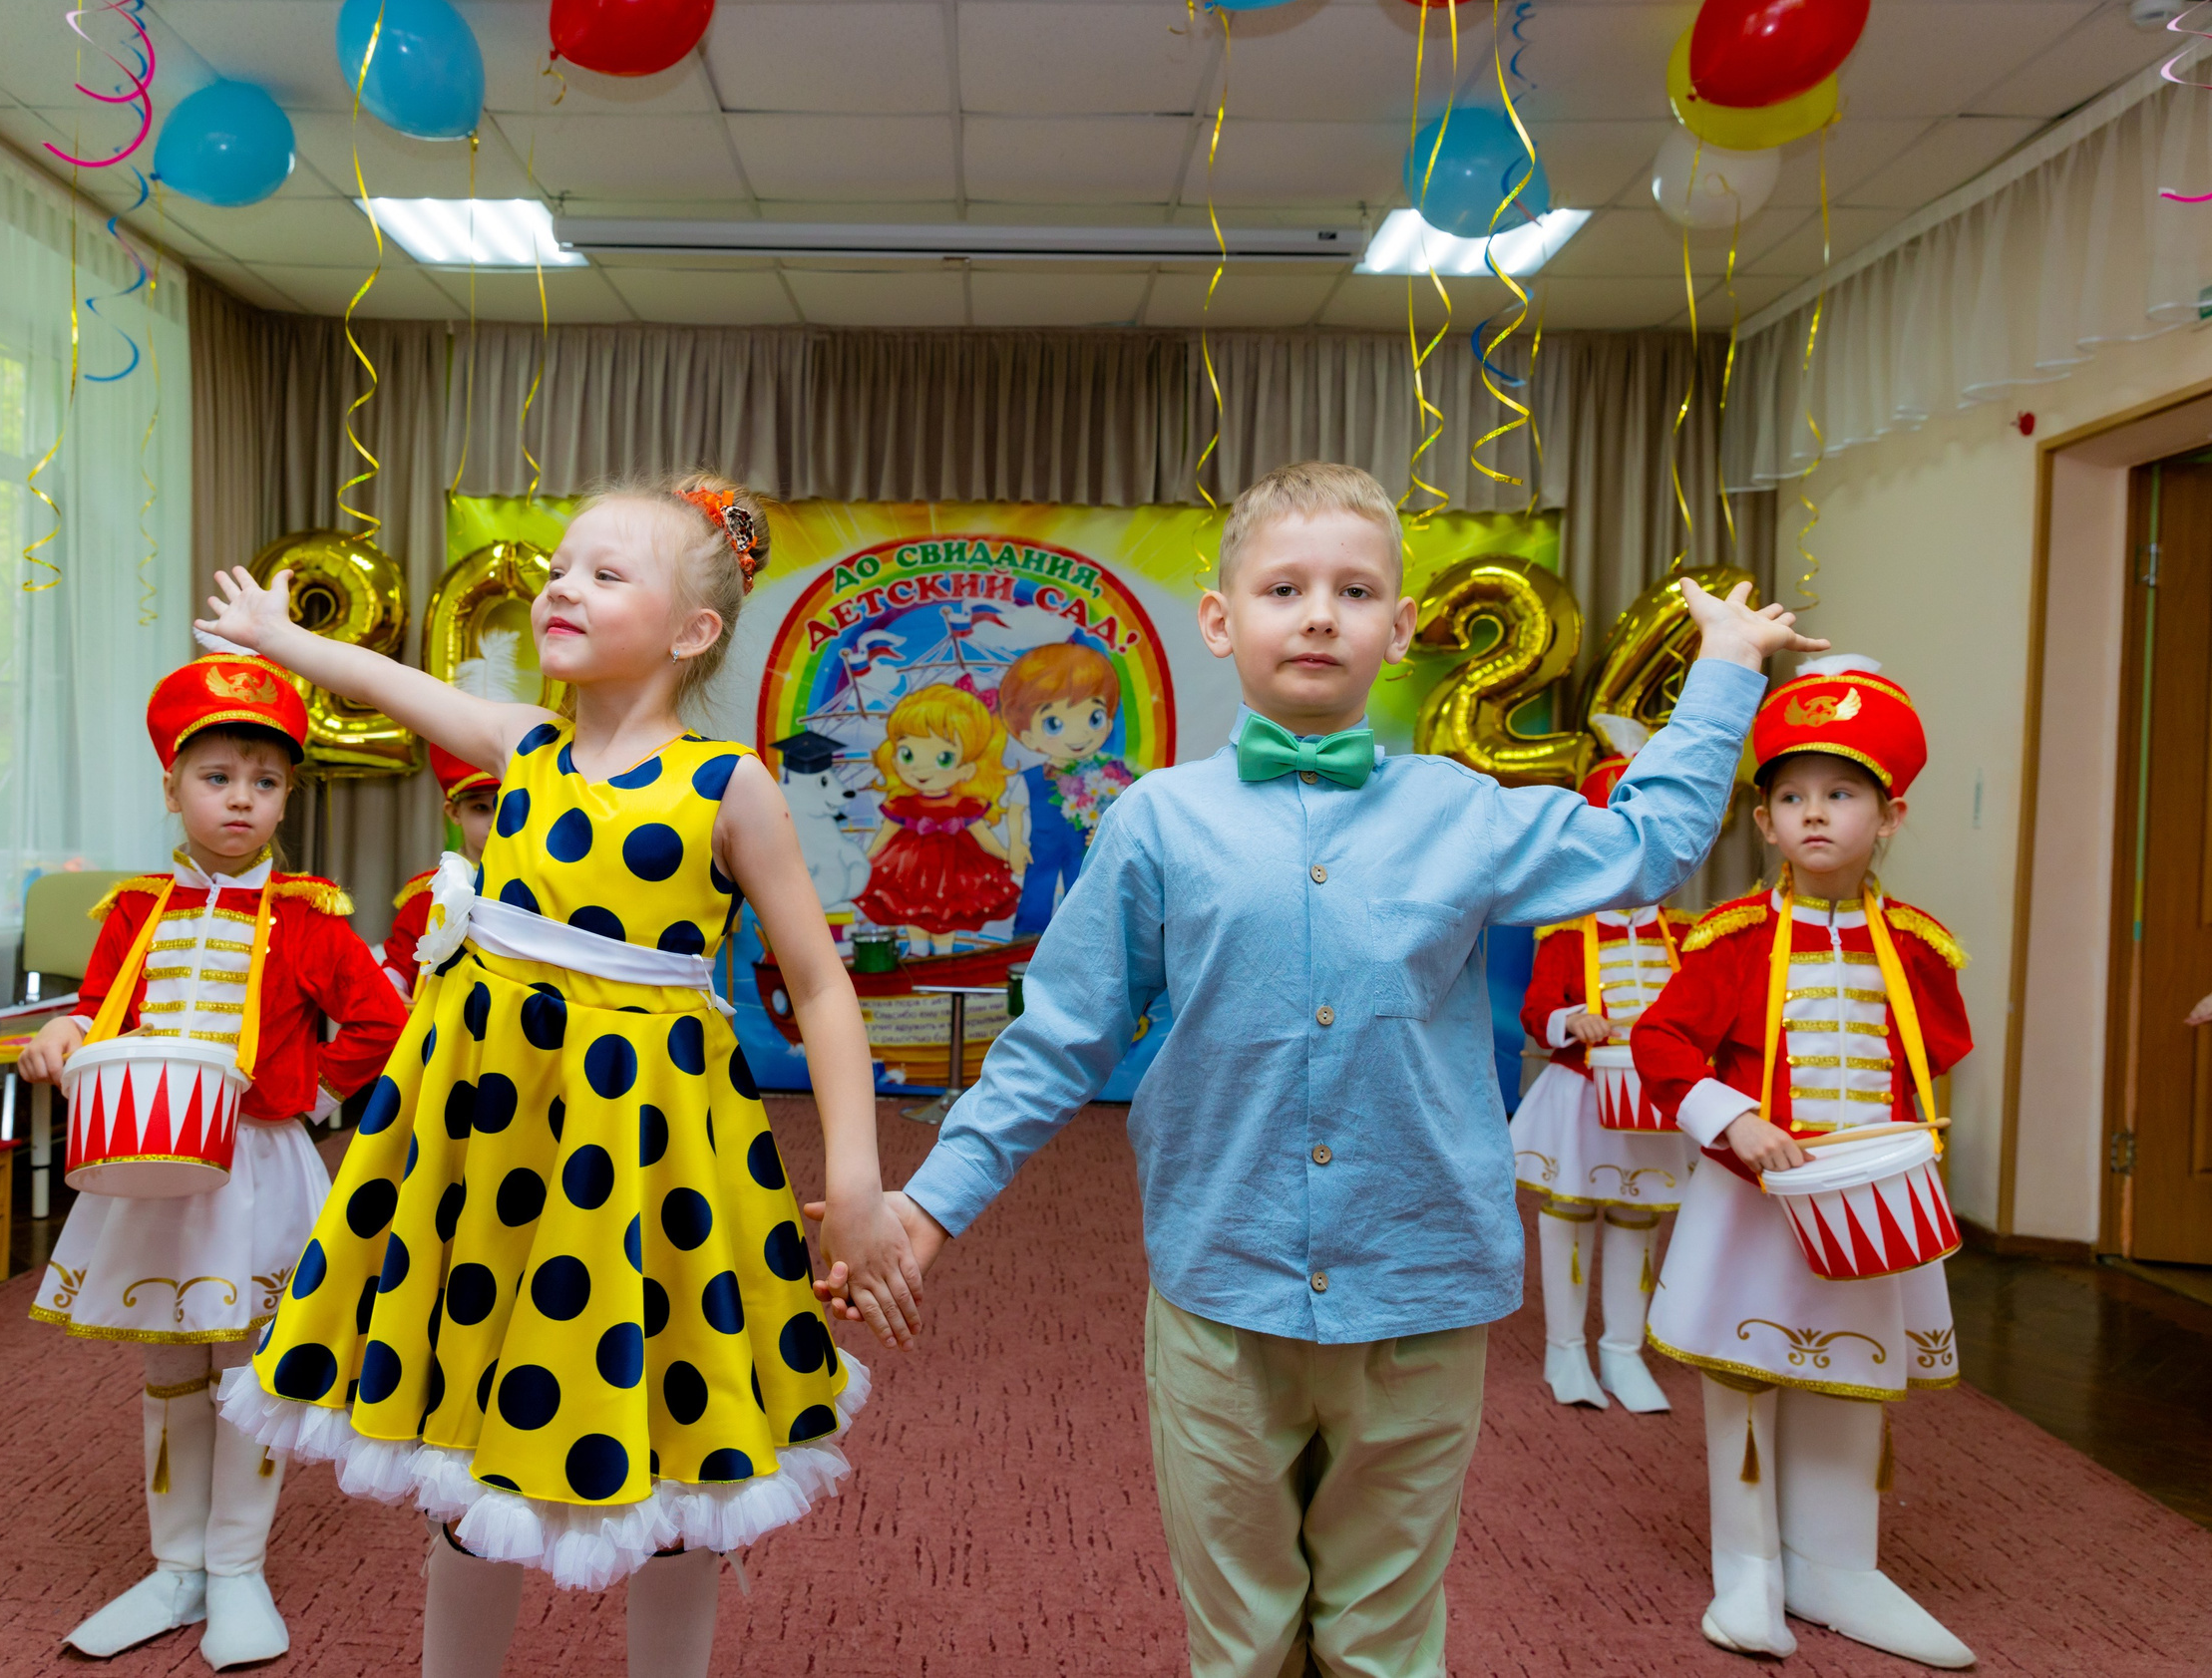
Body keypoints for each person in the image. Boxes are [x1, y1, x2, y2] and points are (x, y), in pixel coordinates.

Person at [817, 461, 1819, 1678]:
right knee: (1239, 1639)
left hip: (1421, 1289)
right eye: (1284, 586)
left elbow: (1647, 848)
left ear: (1398, 630)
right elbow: (1059, 1036)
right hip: (1219, 1292)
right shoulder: (1157, 823)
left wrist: (1722, 671)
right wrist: (931, 1205)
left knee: (1383, 1639)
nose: (1318, 613)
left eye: (1354, 590)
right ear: (1223, 621)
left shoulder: (1463, 812)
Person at [196, 476, 923, 1678]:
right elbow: (397, 687)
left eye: (604, 572)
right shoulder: (520, 747)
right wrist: (287, 644)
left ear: (694, 631)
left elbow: (824, 984)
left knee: (678, 1444)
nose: (562, 586)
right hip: (492, 1152)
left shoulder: (726, 785)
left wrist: (855, 1181)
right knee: (468, 1428)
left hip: (650, 1164)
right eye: (559, 567)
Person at [18, 652, 409, 1670]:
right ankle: (173, 1569)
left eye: (266, 782)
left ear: (287, 797)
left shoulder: (312, 916)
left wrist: (307, 1091)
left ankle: (237, 1570)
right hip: (143, 1167)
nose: (241, 799)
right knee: (169, 1365)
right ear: (172, 787)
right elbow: (100, 1009)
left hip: (258, 1172)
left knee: (250, 1370)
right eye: (217, 777)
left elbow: (382, 1020)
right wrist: (66, 1037)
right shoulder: (133, 912)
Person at [1634, 655, 1975, 1669]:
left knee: (1848, 1378)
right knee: (1746, 1376)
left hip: (1867, 1204)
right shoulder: (1730, 938)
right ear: (1763, 822)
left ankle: (1840, 1564)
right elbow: (1660, 1045)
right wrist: (1730, 1119)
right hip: (1752, 1209)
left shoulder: (1920, 947)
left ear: (1891, 815)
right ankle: (1747, 1570)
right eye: (1790, 797)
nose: (1813, 816)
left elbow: (1935, 1061)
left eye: (1839, 795)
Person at [1511, 715, 1695, 1414]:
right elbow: (1537, 1008)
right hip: (1582, 1093)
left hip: (1651, 1099)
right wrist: (1570, 1019)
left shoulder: (1686, 934)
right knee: (1570, 1209)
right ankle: (1565, 1348)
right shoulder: (1567, 927)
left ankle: (1624, 1349)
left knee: (1638, 1214)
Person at [852, 681, 1020, 954]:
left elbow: (982, 834)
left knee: (947, 917)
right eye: (907, 754)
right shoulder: (902, 804)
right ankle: (918, 951)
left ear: (967, 768)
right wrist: (866, 859)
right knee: (911, 913)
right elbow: (885, 833)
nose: (921, 768)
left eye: (943, 758)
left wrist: (1005, 853)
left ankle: (943, 955)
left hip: (956, 868)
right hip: (907, 869)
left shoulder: (965, 805)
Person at [997, 642, 1135, 935]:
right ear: (1025, 734)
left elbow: (1124, 811)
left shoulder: (1106, 775)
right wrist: (1016, 843)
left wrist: (1106, 830)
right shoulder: (1030, 778)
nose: (1079, 733)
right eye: (1054, 723)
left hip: (1083, 845)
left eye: (1093, 717)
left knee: (1084, 887)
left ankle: (1085, 940)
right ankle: (1027, 938)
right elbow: (1015, 811)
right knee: (1038, 888)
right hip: (1041, 846)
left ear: (1108, 723)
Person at [382, 744, 502, 999]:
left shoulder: (535, 887)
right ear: (454, 812)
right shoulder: (425, 893)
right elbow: (400, 967)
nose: (495, 820)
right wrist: (390, 990)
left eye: (506, 807)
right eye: (481, 808)